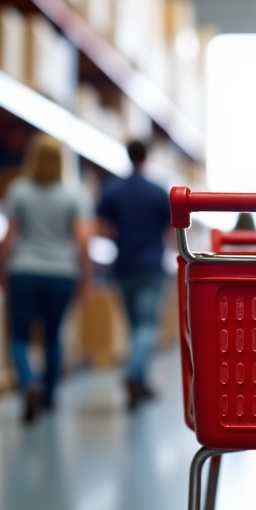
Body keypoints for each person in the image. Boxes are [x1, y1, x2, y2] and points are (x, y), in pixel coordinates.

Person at [0, 135, 92, 422]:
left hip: (23, 271)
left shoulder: (18, 191)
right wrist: (86, 278)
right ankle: (49, 397)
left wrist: (1, 273)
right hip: (62, 274)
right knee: (53, 336)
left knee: (19, 336)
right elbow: (83, 241)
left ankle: (29, 383)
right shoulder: (74, 195)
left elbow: (8, 238)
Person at [97, 139, 172, 408]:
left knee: (134, 326)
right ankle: (132, 374)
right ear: (147, 156)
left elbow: (103, 229)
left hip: (124, 266)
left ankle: (140, 383)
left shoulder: (113, 190)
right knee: (147, 325)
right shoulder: (158, 192)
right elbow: (170, 231)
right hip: (151, 267)